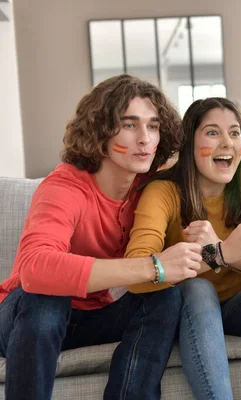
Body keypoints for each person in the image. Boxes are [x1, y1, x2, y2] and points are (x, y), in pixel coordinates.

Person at [0, 74, 205, 399]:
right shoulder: (66, 185)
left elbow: (209, 166)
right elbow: (35, 268)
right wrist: (152, 267)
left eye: (153, 126)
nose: (144, 139)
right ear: (100, 132)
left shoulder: (149, 186)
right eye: (129, 125)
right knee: (47, 298)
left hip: (95, 315)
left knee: (165, 297)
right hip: (23, 316)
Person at [126, 97, 241, 400]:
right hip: (183, 312)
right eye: (212, 132)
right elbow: (137, 272)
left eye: (234, 133)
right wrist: (218, 255)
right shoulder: (163, 191)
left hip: (236, 308)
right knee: (198, 289)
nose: (227, 143)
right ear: (189, 143)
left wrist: (225, 251)